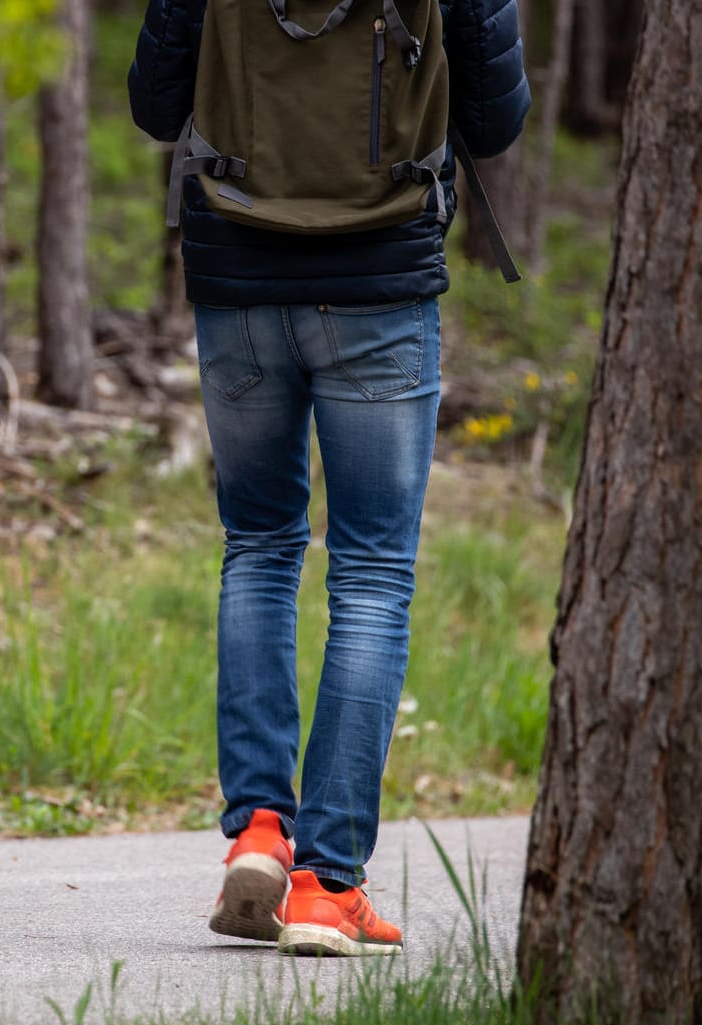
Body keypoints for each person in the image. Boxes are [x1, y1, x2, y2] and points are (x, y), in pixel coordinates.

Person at [128, 0, 528, 954]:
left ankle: (260, 829)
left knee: (259, 547)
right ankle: (327, 882)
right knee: (374, 575)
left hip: (238, 278)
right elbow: (498, 120)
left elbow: (153, 105)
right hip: (380, 281)